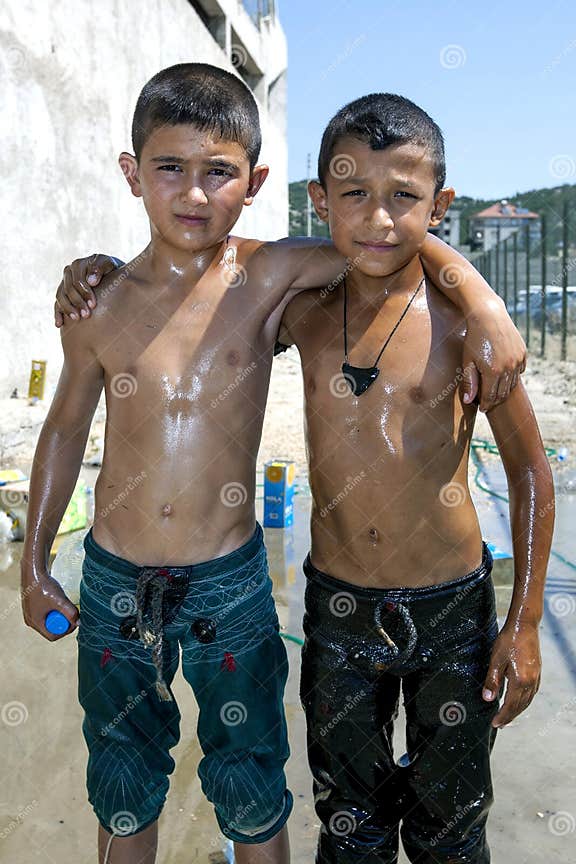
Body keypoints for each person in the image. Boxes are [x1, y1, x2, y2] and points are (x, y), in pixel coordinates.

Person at [43, 66, 525, 864]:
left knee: (257, 780)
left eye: (219, 174)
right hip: (117, 577)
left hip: (237, 581)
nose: (195, 196)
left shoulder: (268, 274)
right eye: (170, 169)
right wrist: (34, 566)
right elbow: (63, 431)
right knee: (125, 780)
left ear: (255, 182)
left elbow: (384, 235)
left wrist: (482, 299)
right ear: (133, 174)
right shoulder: (109, 305)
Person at [273, 94, 553, 863]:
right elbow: (207, 281)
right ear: (319, 199)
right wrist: (98, 273)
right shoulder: (299, 308)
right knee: (349, 824)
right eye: (353, 192)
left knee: (451, 826)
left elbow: (531, 470)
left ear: (441, 204)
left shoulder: (468, 329)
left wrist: (523, 624)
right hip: (337, 609)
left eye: (404, 196)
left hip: (453, 612)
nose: (379, 218)